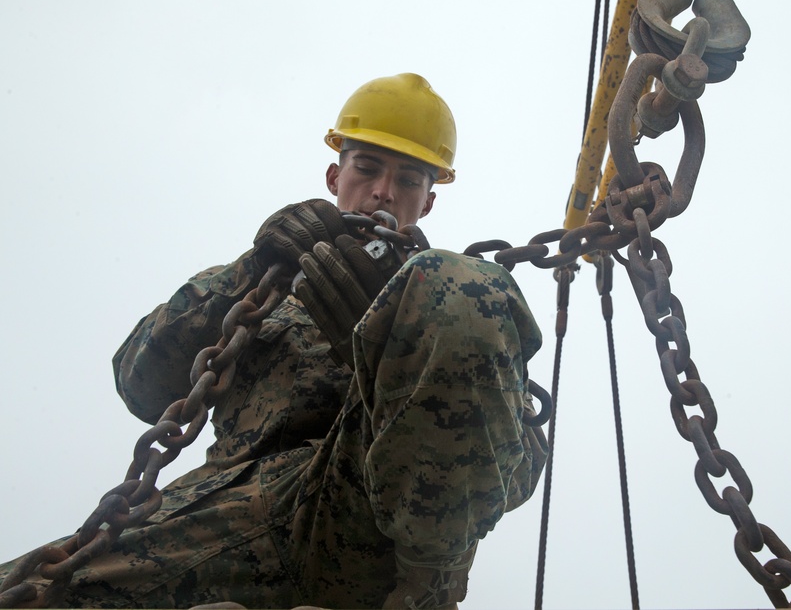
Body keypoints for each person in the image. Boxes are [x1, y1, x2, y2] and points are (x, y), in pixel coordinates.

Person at [0, 73, 548, 609]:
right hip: (237, 511)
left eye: (409, 179)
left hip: (372, 526)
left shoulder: (453, 309)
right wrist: (255, 267)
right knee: (30, 590)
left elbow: (510, 472)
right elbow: (140, 384)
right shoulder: (262, 287)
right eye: (368, 167)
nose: (383, 190)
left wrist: (385, 348)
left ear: (427, 202)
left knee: (458, 282)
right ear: (335, 175)